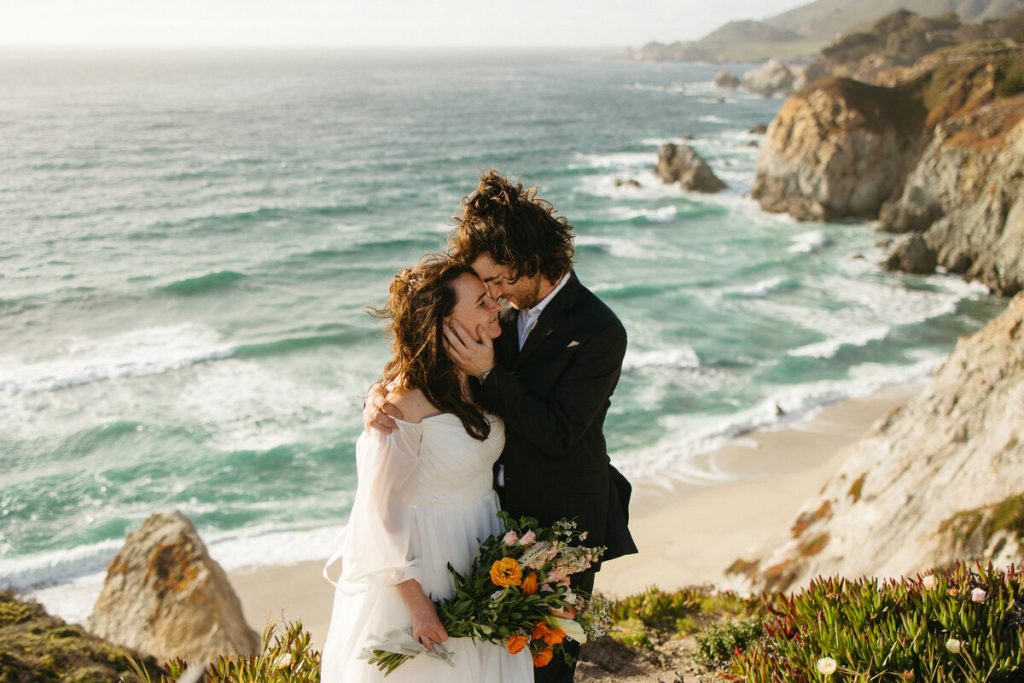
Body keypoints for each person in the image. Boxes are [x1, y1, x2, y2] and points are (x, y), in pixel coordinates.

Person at [370, 171, 638, 683]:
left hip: (564, 522)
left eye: (497, 281)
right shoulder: (496, 310)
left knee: (548, 670)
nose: (490, 296)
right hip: (487, 524)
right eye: (483, 286)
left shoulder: (601, 331)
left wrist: (491, 375)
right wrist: (379, 399)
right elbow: (429, 360)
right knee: (494, 668)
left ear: (533, 260)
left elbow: (560, 432)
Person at [321, 254, 532, 683]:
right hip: (428, 561)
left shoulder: (481, 370)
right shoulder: (402, 407)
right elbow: (377, 516)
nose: (497, 305)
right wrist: (417, 605)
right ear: (444, 323)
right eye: (481, 301)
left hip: (481, 541)